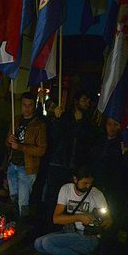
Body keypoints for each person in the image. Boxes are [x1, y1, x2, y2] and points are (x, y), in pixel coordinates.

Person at [34, 166, 111, 255]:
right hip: (71, 232)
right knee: (38, 243)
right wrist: (80, 217)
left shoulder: (96, 194)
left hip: (88, 237)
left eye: (90, 183)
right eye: (85, 183)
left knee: (47, 243)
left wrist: (98, 224)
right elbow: (56, 219)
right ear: (75, 179)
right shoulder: (66, 189)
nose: (88, 186)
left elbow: (109, 220)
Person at [39, 91, 94, 230]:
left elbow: (86, 142)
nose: (86, 104)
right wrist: (57, 119)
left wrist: (80, 122)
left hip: (74, 167)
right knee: (52, 197)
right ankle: (47, 226)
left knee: (68, 200)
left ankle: (63, 228)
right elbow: (54, 136)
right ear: (76, 101)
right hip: (58, 163)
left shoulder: (88, 121)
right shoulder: (65, 116)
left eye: (88, 101)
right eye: (84, 100)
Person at [6, 92, 47, 219]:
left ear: (34, 105)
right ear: (21, 105)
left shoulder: (39, 125)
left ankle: (23, 224)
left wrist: (21, 147)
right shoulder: (16, 120)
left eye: (30, 105)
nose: (27, 108)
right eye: (24, 105)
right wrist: (9, 140)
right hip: (12, 163)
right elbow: (7, 142)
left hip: (27, 167)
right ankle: (14, 221)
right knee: (13, 197)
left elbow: (41, 150)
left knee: (23, 201)